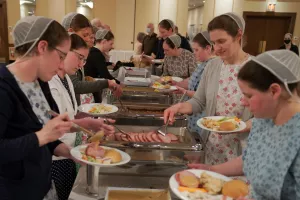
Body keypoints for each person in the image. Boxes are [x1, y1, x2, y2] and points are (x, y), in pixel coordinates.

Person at [189, 50, 300, 200]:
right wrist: (211, 169)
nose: (243, 102)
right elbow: (249, 159)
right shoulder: (264, 119)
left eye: (248, 95)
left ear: (274, 91)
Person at [0, 16, 74, 200]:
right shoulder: (3, 87)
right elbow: (40, 136)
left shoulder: (39, 81)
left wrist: (73, 153)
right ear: (42, 47)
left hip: (43, 186)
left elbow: (44, 136)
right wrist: (42, 136)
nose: (61, 65)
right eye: (61, 56)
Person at [164, 12, 252, 165]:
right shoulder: (212, 66)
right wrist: (179, 106)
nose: (216, 49)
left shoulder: (256, 68)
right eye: (213, 43)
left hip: (242, 151)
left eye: (221, 41)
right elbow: (199, 101)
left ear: (238, 35)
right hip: (213, 146)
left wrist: (241, 126)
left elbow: (265, 117)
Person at [48, 34, 115, 200]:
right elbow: (55, 124)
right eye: (79, 57)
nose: (80, 64)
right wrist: (86, 123)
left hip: (69, 150)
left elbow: (72, 114)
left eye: (84, 60)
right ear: (64, 51)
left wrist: (94, 121)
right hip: (56, 155)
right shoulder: (50, 82)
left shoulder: (68, 80)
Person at [61, 12, 121, 105]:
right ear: (70, 32)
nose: (89, 40)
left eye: (90, 36)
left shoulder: (76, 55)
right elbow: (75, 85)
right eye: (85, 35)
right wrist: (105, 83)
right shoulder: (67, 58)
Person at [175, 31, 214, 134]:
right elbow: (192, 81)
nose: (194, 53)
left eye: (196, 50)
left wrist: (185, 92)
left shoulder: (211, 67)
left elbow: (204, 96)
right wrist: (176, 84)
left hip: (201, 114)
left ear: (208, 48)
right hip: (194, 113)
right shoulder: (203, 64)